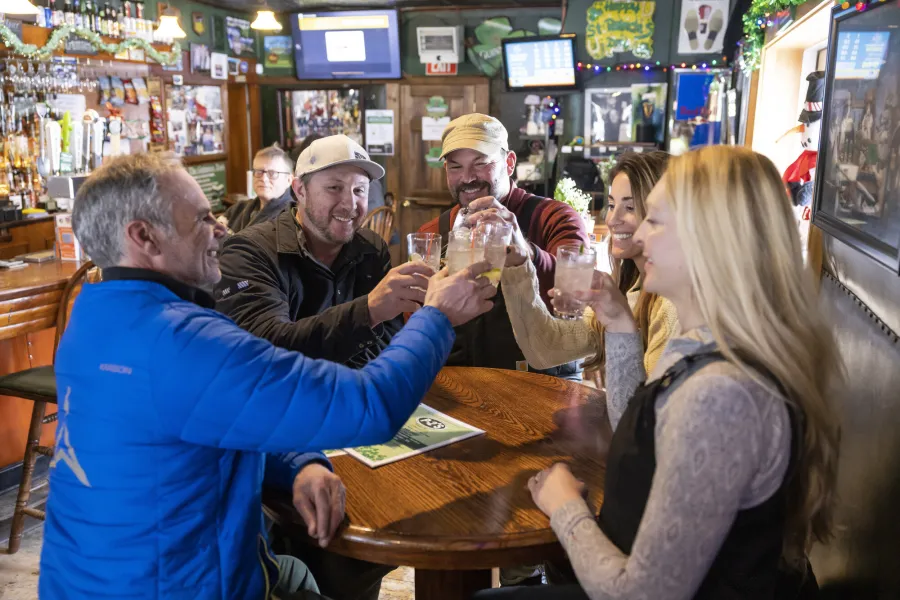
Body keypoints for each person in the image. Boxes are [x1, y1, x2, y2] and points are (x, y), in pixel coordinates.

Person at [40, 152, 496, 600]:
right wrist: (435, 317)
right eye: (202, 219)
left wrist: (296, 461)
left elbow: (205, 416)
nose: (221, 228)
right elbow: (369, 406)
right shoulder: (184, 342)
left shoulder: (92, 317)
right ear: (145, 237)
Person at [478, 146, 842, 599]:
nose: (634, 232)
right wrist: (619, 325)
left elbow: (645, 594)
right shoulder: (707, 342)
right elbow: (642, 423)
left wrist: (566, 509)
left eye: (653, 218)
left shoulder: (721, 394)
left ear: (711, 238)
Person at [213, 134, 419, 598]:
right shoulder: (248, 252)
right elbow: (266, 353)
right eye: (334, 188)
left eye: (361, 190)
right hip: (277, 436)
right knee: (336, 545)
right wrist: (369, 310)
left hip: (346, 425)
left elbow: (380, 344)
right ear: (299, 191)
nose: (351, 203)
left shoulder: (368, 248)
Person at [418, 113, 590, 380]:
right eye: (455, 167)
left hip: (544, 383)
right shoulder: (433, 233)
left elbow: (575, 291)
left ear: (509, 163)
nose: (467, 178)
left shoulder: (556, 218)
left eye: (480, 163)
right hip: (461, 387)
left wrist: (526, 250)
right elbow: (416, 322)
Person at [501, 151, 678, 382]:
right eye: (612, 205)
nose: (613, 219)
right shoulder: (629, 289)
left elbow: (651, 413)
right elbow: (545, 348)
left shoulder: (672, 304)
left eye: (631, 207)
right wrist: (518, 265)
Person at [221, 145, 295, 234]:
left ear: (289, 180)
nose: (263, 179)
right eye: (259, 171)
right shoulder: (239, 208)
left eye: (272, 173)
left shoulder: (291, 218)